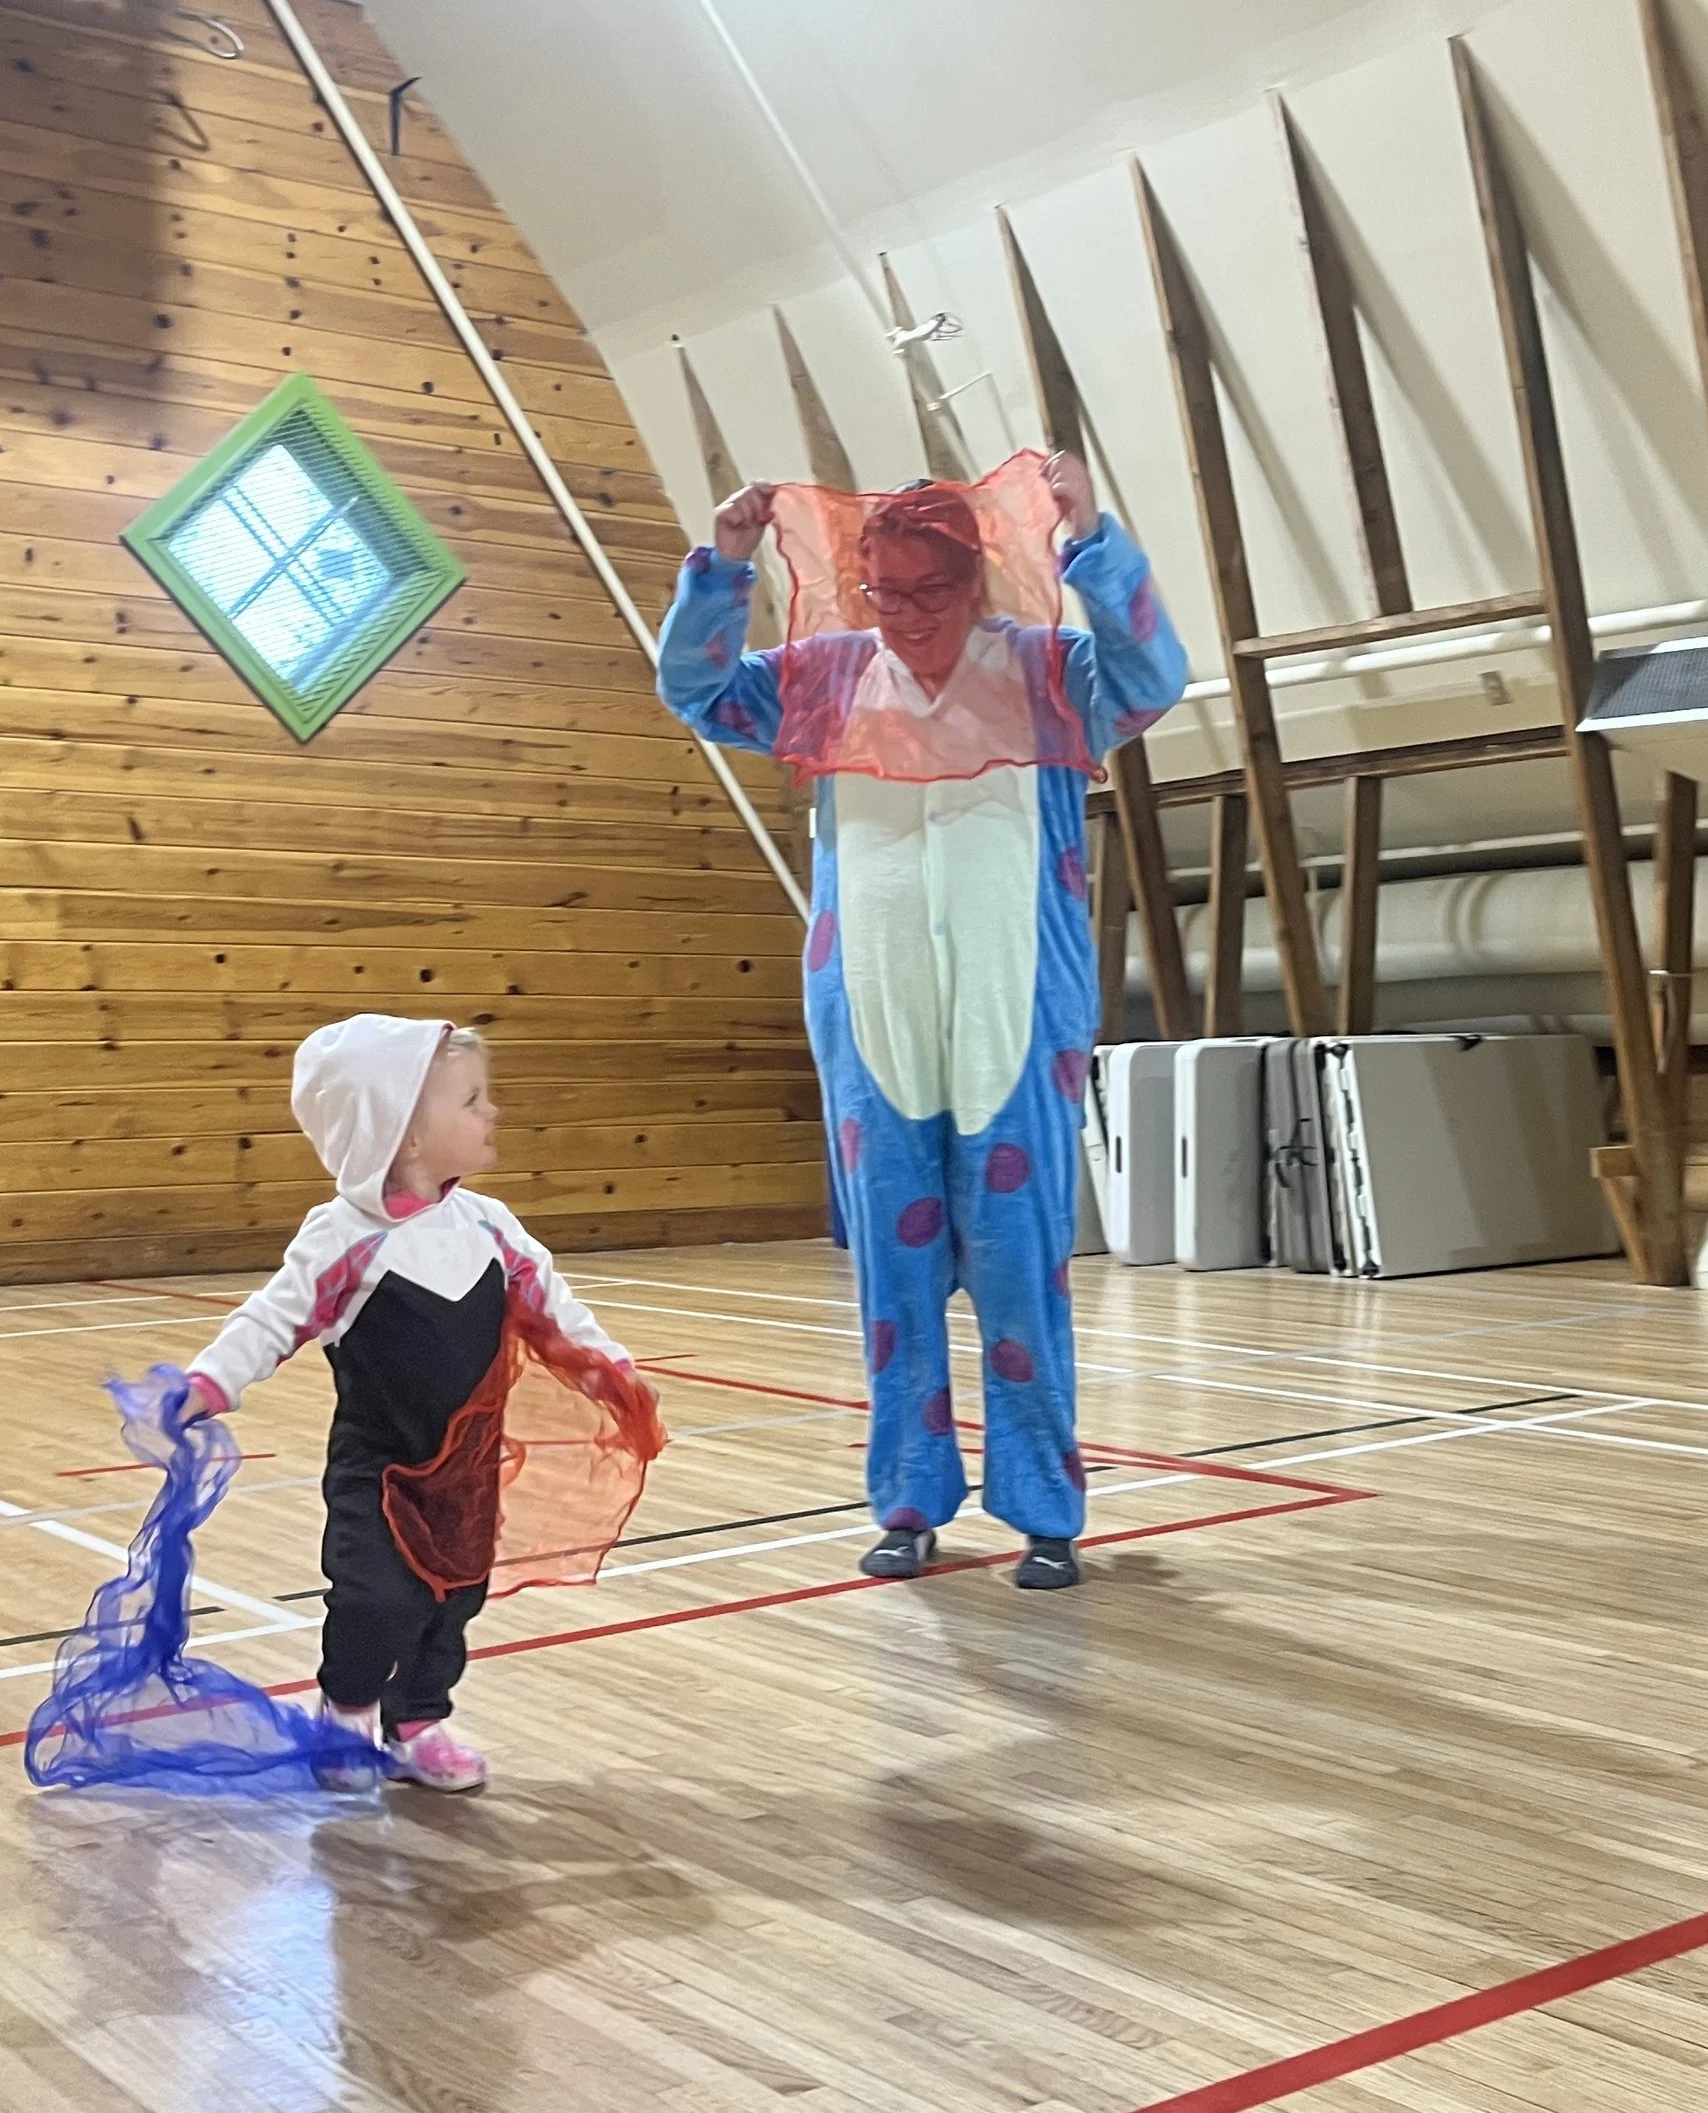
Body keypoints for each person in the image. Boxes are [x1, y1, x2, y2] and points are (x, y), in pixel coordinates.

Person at [656, 452, 1188, 1590]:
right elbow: (696, 692)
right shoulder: (831, 677)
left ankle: (1043, 1508)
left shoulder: (1048, 672)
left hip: (1015, 1019)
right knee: (892, 1287)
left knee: (1017, 1266)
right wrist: (724, 569)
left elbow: (1151, 674)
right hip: (875, 1024)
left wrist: (1094, 538)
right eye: (882, 595)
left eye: (926, 594)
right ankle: (907, 1501)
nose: (902, 618)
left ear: (977, 583)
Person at [174, 1015, 660, 1793]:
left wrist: (608, 1368)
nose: (491, 1112)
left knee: (453, 1601)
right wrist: (208, 1381)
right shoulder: (343, 1239)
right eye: (471, 1101)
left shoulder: (490, 1227)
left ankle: (418, 1719)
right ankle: (347, 1709)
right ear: (403, 1136)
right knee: (373, 1597)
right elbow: (272, 1317)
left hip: (465, 1472)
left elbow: (553, 1304)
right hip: (379, 1469)